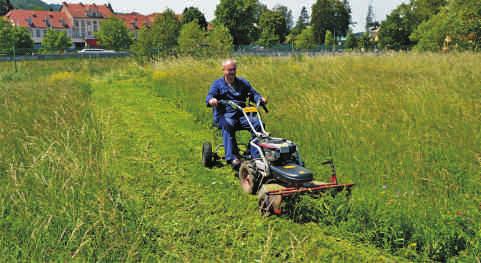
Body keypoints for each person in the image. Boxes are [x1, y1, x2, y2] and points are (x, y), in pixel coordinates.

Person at [206, 59, 267, 169]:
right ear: (223, 70)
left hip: (242, 115)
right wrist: (212, 100)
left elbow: (253, 94)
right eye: (229, 70)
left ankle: (255, 155)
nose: (232, 72)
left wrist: (260, 99)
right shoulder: (217, 84)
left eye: (234, 69)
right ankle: (232, 158)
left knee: (257, 124)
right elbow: (210, 95)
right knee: (228, 124)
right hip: (225, 114)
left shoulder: (243, 83)